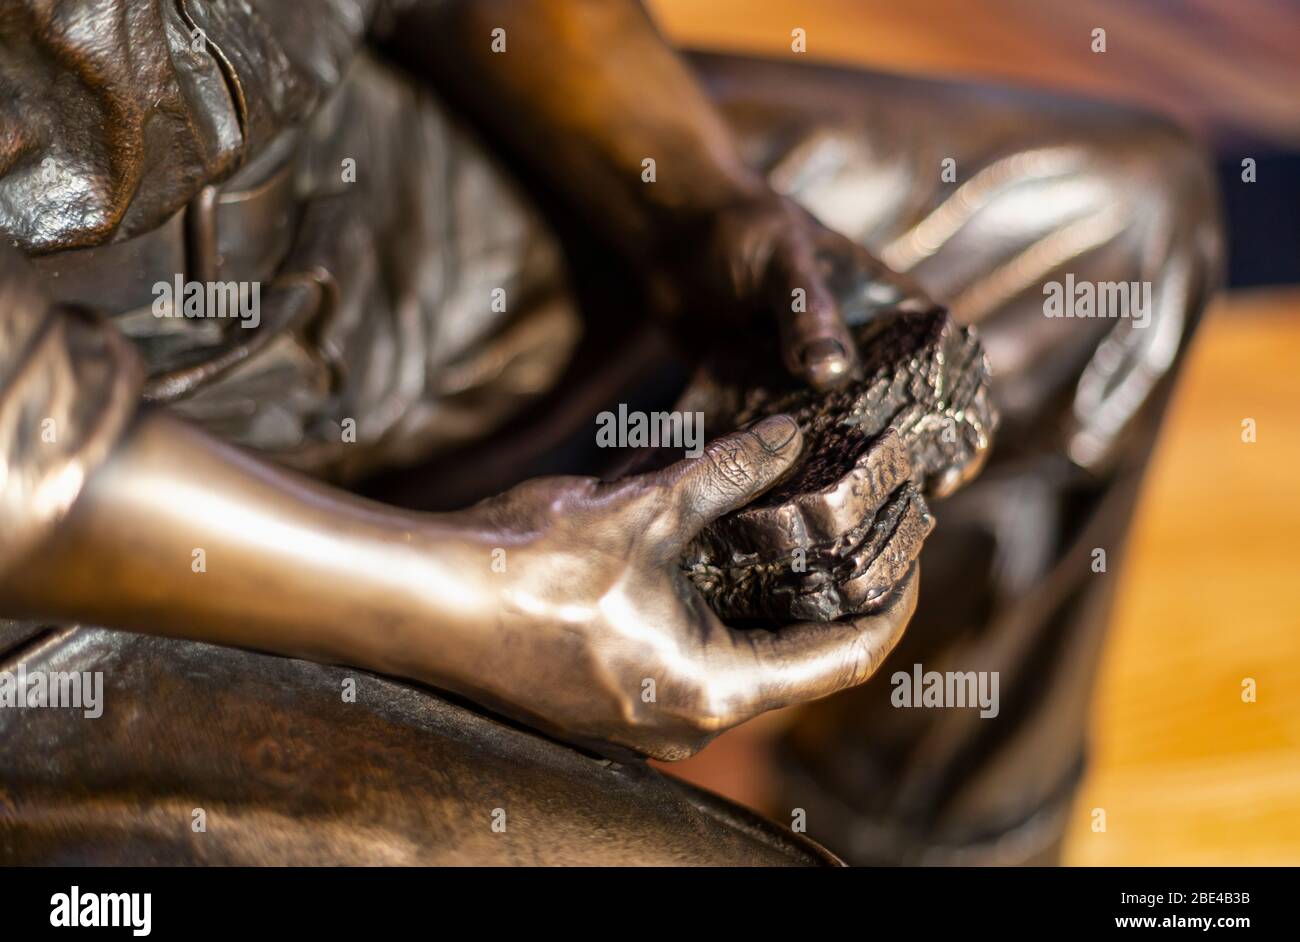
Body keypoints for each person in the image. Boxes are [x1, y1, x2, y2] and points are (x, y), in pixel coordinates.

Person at [0, 1, 1220, 864]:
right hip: (56, 541)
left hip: (355, 202)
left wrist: (695, 198)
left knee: (1109, 235)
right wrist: (464, 601)